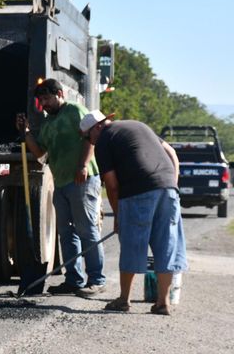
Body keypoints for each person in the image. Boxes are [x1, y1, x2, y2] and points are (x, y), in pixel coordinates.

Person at [80, 110, 187, 315]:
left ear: (97, 128)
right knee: (167, 244)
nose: (89, 142)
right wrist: (172, 183)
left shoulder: (104, 140)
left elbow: (111, 185)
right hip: (168, 189)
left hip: (137, 192)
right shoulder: (139, 125)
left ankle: (123, 300)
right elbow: (171, 152)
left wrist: (119, 215)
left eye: (87, 137)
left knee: (131, 242)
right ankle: (163, 303)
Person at [16, 78, 106, 297]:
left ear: (60, 94)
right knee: (66, 233)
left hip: (82, 180)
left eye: (47, 98)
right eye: (41, 100)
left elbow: (90, 137)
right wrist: (26, 132)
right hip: (62, 182)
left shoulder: (75, 111)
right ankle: (74, 280)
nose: (44, 103)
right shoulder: (47, 124)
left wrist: (83, 165)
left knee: (86, 229)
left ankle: (97, 280)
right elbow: (40, 154)